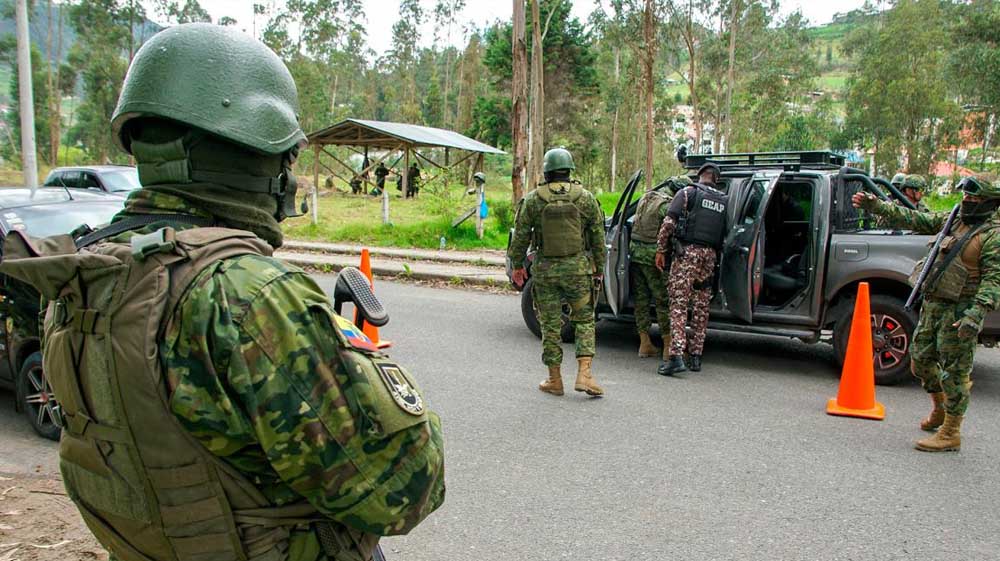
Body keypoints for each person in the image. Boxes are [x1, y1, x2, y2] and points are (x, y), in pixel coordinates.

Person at [0, 24, 445, 561]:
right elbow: (407, 488)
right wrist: (361, 364)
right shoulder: (250, 297)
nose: (290, 180)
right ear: (254, 155)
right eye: (287, 159)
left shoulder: (85, 274)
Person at [853, 175, 1000, 452]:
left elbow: (994, 280)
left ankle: (951, 432)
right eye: (965, 195)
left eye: (974, 197)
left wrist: (975, 314)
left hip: (960, 311)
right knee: (919, 361)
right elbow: (914, 218)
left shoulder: (993, 236)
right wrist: (876, 205)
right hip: (934, 304)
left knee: (955, 373)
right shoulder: (954, 220)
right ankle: (940, 408)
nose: (967, 200)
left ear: (989, 202)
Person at [508, 147, 607, 397]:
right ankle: (585, 375)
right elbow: (598, 237)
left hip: (545, 273)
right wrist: (599, 268)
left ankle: (555, 379)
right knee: (584, 320)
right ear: (569, 171)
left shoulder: (533, 199)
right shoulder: (585, 198)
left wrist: (517, 266)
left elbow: (520, 237)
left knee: (550, 325)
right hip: (577, 271)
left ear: (547, 172)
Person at [655, 163, 728, 376]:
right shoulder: (724, 200)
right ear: (716, 179)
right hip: (709, 257)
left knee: (678, 304)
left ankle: (676, 356)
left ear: (699, 175)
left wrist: (661, 249)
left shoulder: (688, 193)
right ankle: (695, 356)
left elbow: (669, 223)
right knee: (701, 306)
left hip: (687, 254)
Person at [629, 176, 691, 359]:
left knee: (641, 299)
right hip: (653, 258)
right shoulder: (668, 205)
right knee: (663, 300)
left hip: (635, 254)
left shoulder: (647, 197)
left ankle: (644, 343)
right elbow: (673, 231)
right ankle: (668, 347)